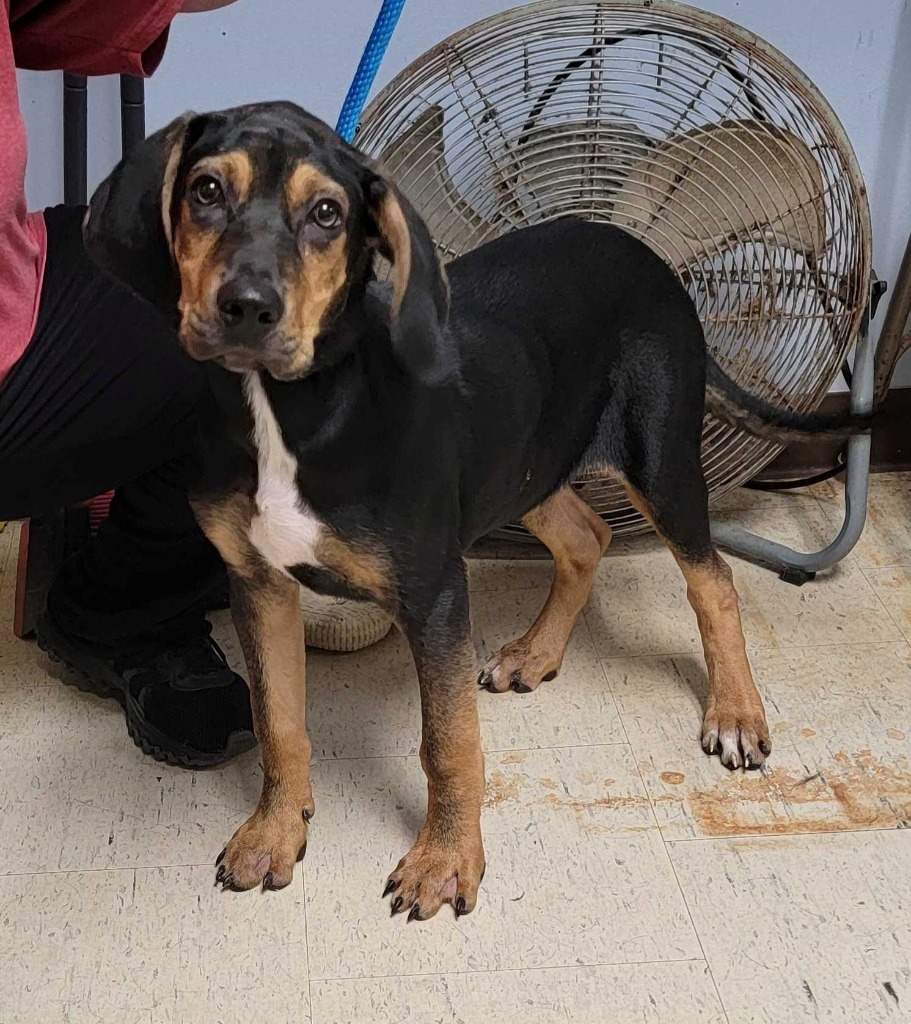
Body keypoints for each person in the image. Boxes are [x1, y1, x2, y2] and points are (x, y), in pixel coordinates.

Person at [1, 1, 259, 768]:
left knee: (217, 273)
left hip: (18, 278)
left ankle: (145, 544)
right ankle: (125, 614)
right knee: (242, 340)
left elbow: (62, 14)